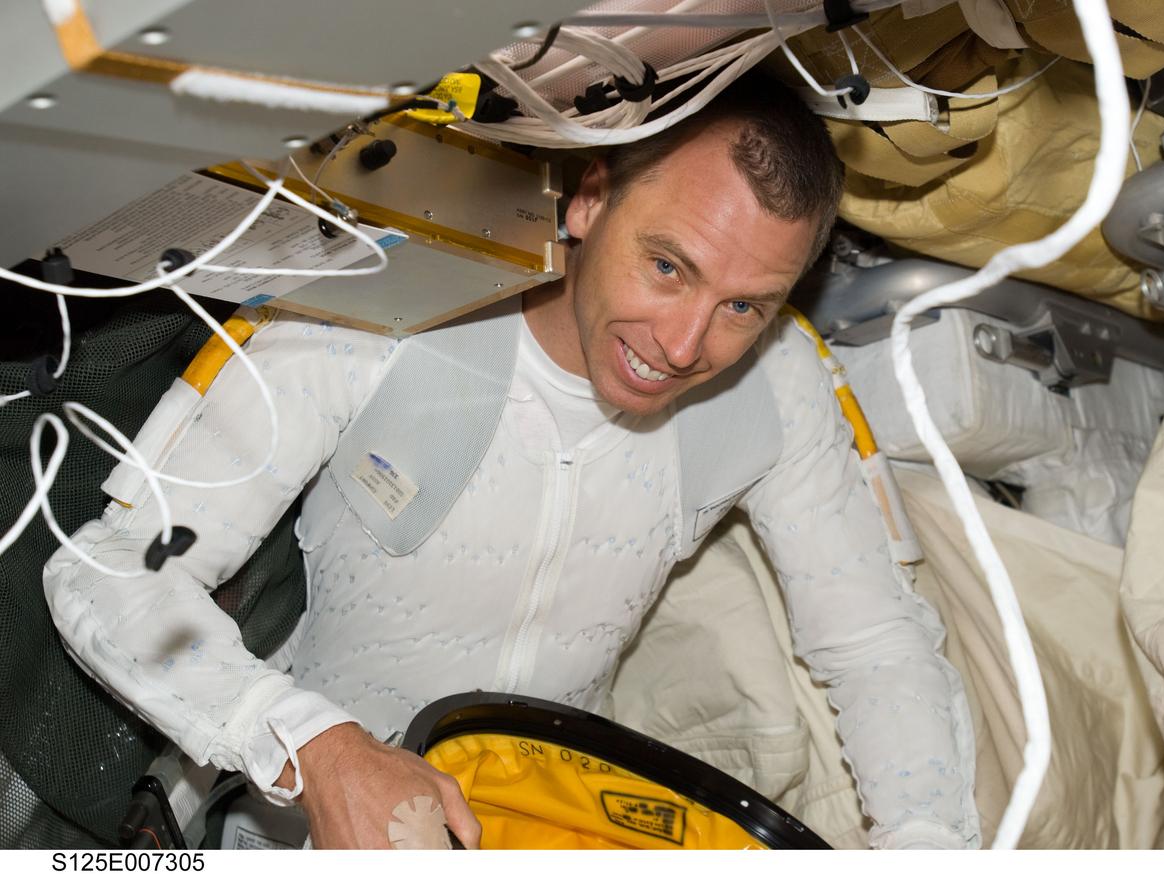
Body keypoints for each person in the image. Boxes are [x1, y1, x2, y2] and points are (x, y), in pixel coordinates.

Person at [43, 73, 979, 850]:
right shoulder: (374, 303)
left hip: (551, 829)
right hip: (299, 824)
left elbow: (878, 645)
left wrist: (929, 841)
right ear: (589, 197)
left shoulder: (781, 385)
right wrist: (312, 747)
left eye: (747, 306)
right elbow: (108, 572)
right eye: (668, 267)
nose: (688, 343)